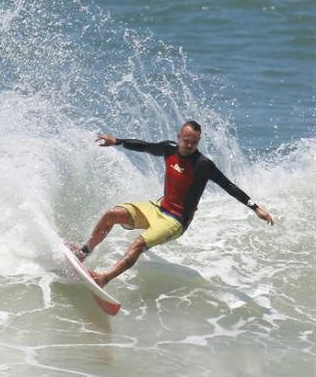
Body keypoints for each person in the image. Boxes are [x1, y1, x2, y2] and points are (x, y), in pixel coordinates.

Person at [69, 121, 274, 287]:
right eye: (186, 141)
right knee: (111, 214)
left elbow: (228, 186)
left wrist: (255, 208)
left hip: (176, 221)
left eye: (194, 142)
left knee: (138, 244)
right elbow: (146, 146)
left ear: (198, 140)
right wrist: (117, 141)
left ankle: (105, 278)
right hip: (158, 207)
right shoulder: (169, 149)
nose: (190, 145)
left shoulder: (203, 165)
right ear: (179, 137)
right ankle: (83, 252)